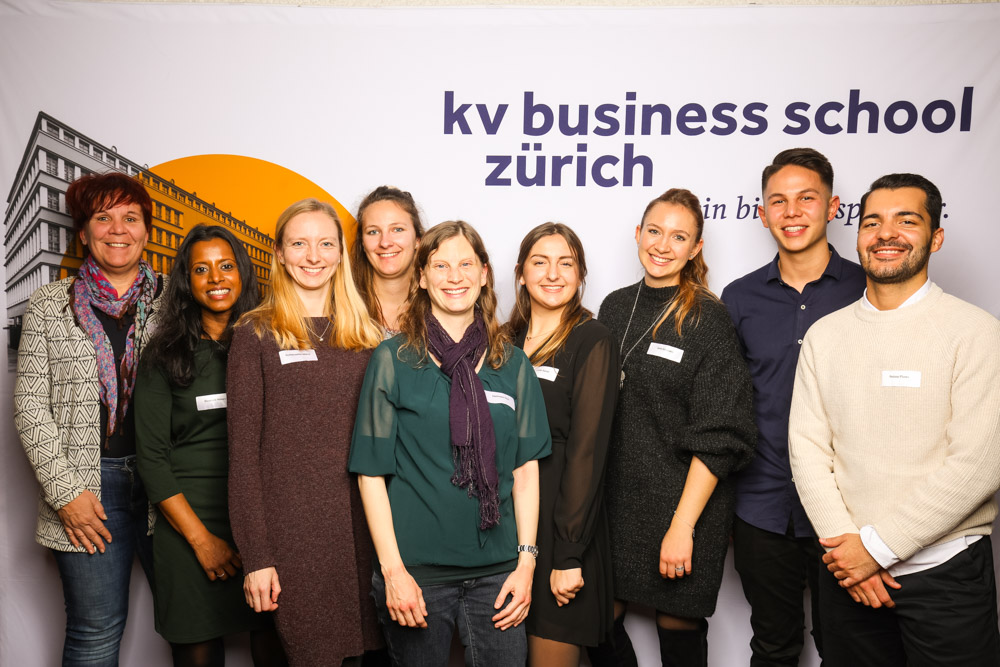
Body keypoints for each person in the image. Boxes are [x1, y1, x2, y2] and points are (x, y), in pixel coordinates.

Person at [788, 173, 1000, 667]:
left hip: (945, 574)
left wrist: (877, 550)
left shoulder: (976, 332)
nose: (886, 233)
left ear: (936, 238)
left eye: (906, 221)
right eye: (872, 223)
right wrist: (850, 555)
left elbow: (979, 464)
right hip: (845, 572)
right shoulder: (825, 335)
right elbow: (807, 451)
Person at [349, 220, 552, 667]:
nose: (454, 277)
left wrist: (527, 564)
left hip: (499, 575)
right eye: (440, 265)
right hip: (417, 576)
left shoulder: (512, 363)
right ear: (422, 277)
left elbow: (525, 472)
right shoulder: (393, 359)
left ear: (484, 274)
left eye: (466, 264)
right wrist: (393, 572)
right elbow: (370, 474)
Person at [595, 188, 756, 667]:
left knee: (677, 626)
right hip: (617, 501)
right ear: (637, 234)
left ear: (696, 247)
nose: (663, 245)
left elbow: (722, 435)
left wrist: (682, 527)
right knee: (597, 623)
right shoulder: (614, 307)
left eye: (679, 237)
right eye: (655, 231)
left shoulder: (709, 318)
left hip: (686, 505)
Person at [720, 148, 866, 666]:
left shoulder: (869, 288)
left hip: (852, 511)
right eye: (778, 201)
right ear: (762, 214)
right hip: (762, 506)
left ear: (833, 207)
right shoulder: (738, 298)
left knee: (849, 649)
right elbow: (727, 407)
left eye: (807, 198)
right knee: (774, 647)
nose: (792, 212)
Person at [226, 199, 384, 666]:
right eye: (299, 243)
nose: (313, 256)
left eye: (325, 244)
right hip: (295, 539)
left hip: (370, 531)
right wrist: (257, 557)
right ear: (279, 253)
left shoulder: (370, 337)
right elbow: (243, 458)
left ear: (341, 254)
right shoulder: (254, 335)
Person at [14, 171, 163, 665]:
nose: (118, 229)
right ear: (83, 232)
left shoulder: (173, 302)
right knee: (95, 632)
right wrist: (65, 493)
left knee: (194, 624)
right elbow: (30, 404)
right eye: (103, 218)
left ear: (146, 231)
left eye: (130, 218)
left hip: (169, 486)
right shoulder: (49, 304)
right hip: (87, 487)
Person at [135, 224, 286, 666]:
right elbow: (151, 460)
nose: (216, 278)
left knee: (277, 649)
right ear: (186, 280)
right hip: (189, 524)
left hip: (264, 522)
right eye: (201, 269)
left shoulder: (274, 343)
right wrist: (202, 542)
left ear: (243, 273)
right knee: (196, 652)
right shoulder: (164, 354)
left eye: (226, 266)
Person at [507, 223, 618, 667]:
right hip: (504, 527)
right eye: (540, 262)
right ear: (520, 273)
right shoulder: (503, 340)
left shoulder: (593, 340)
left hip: (561, 528)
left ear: (580, 275)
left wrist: (569, 553)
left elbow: (587, 453)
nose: (553, 274)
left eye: (566, 263)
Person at [350, 185, 425, 335]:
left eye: (397, 229)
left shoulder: (439, 305)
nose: (385, 242)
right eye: (373, 232)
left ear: (417, 239)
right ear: (362, 243)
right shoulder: (343, 308)